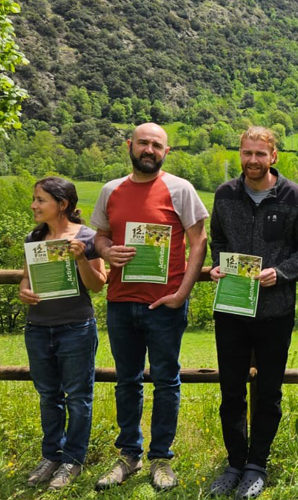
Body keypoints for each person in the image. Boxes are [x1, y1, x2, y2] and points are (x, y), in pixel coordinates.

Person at [91, 122, 209, 491]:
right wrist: (107, 250)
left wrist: (182, 293)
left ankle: (161, 458)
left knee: (166, 382)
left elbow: (199, 241)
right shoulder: (111, 190)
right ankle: (129, 454)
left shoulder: (180, 189)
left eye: (157, 145)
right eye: (143, 143)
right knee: (126, 381)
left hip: (165, 304)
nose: (149, 150)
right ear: (130, 145)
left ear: (165, 152)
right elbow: (99, 236)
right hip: (121, 301)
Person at [206, 126, 298, 499]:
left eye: (260, 154)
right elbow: (218, 240)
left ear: (274, 156)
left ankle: (257, 465)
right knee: (231, 391)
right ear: (240, 154)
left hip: (275, 311)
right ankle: (234, 463)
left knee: (268, 393)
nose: (252, 160)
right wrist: (218, 266)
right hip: (232, 309)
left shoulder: (294, 197)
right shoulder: (225, 195)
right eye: (246, 153)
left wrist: (282, 272)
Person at [19, 177, 108, 490]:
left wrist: (81, 256)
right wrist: (24, 291)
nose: (34, 205)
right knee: (48, 397)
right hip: (38, 328)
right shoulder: (34, 237)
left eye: (40, 200)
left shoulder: (88, 236)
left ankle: (72, 460)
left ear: (63, 204)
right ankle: (51, 455)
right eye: (34, 199)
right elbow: (26, 280)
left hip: (76, 328)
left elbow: (98, 284)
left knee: (78, 398)